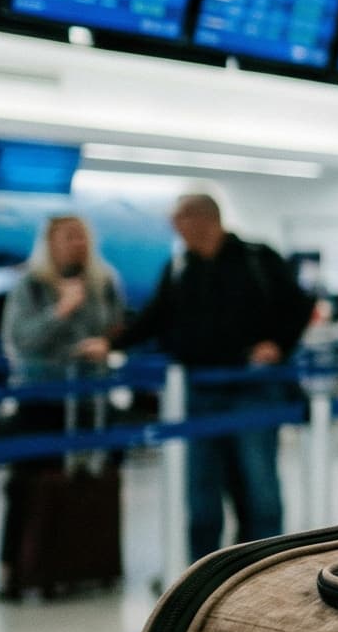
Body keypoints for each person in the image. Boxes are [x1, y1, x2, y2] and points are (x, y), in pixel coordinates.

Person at [85, 195, 310, 559]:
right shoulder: (180, 267)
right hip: (197, 389)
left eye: (179, 219)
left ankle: (265, 563)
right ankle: (203, 571)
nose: (175, 227)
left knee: (259, 487)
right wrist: (112, 343)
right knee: (201, 490)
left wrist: (278, 344)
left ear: (204, 219)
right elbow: (154, 318)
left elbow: (299, 305)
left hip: (252, 388)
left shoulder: (257, 257)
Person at [2, 214, 124, 596]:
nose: (77, 244)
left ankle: (84, 559)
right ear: (50, 243)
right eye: (69, 237)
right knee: (27, 481)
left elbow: (114, 329)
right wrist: (61, 311)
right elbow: (22, 341)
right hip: (41, 400)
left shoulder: (103, 284)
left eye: (82, 237)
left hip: (91, 401)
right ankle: (17, 565)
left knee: (91, 478)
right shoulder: (30, 287)